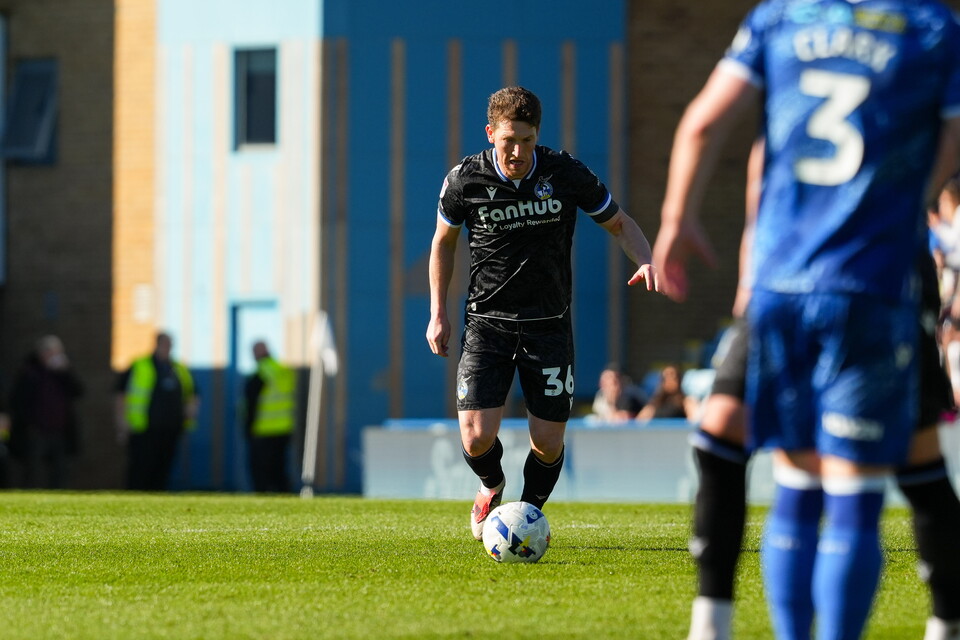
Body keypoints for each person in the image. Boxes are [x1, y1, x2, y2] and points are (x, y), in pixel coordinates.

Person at [652, 2, 960, 639]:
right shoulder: (932, 29)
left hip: (785, 283)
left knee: (798, 478)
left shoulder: (781, 19)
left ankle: (944, 619)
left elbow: (703, 125)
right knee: (853, 491)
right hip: (871, 283)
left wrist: (677, 219)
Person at [426, 86, 661, 540]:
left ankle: (526, 515)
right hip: (487, 323)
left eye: (527, 140)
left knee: (548, 443)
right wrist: (438, 313)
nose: (517, 151)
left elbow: (618, 222)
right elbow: (443, 243)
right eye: (508, 139)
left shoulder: (565, 171)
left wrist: (645, 259)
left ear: (538, 136)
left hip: (549, 324)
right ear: (490, 132)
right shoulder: (464, 179)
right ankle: (492, 485)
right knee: (475, 437)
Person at [115, 332, 199, 491]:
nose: (167, 348)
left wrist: (191, 409)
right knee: (141, 469)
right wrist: (121, 422)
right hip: (143, 430)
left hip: (171, 429)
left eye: (170, 345)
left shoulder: (179, 369)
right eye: (165, 344)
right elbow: (121, 395)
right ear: (157, 344)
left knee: (164, 470)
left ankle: (157, 501)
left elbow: (193, 393)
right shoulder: (140, 365)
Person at [8, 336, 83, 489]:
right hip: (36, 430)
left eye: (58, 353)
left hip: (59, 430)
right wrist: (27, 423)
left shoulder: (62, 374)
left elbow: (78, 391)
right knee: (32, 470)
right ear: (42, 353)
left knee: (60, 470)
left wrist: (65, 372)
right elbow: (16, 401)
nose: (55, 356)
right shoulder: (29, 373)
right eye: (52, 352)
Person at [242, 340, 297, 493]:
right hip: (284, 428)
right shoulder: (283, 370)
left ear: (257, 353)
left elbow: (252, 403)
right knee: (279, 468)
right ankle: (284, 497)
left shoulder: (260, 373)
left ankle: (262, 498)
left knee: (260, 471)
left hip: (262, 429)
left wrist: (247, 427)